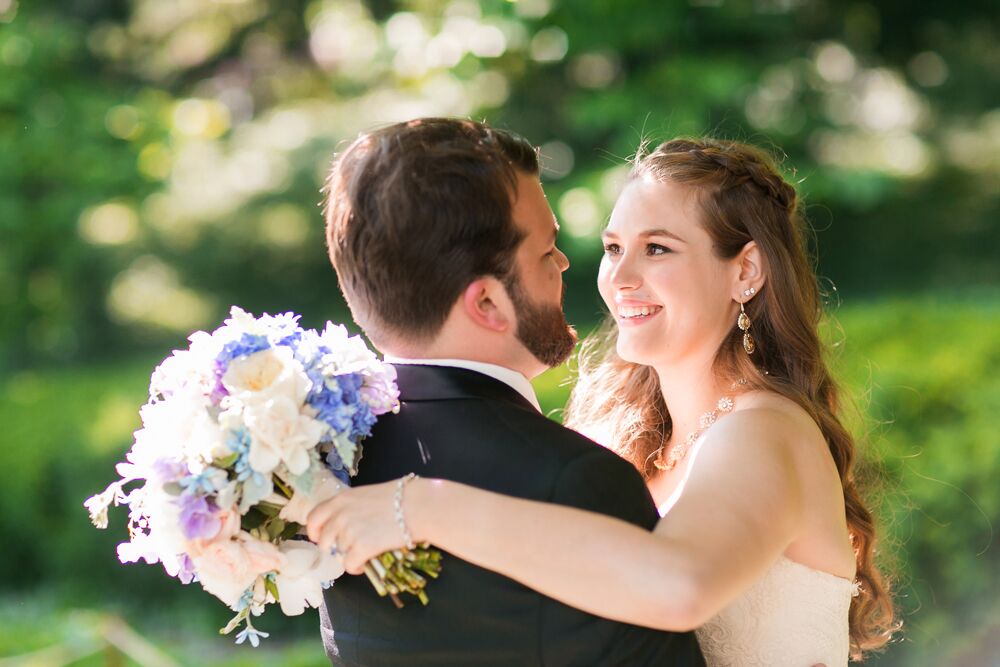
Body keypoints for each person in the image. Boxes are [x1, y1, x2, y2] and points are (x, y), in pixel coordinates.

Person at [308, 137, 899, 666]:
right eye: (614, 248)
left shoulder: (765, 430)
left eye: (658, 249)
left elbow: (681, 584)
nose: (619, 277)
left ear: (745, 270)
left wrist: (423, 506)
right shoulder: (619, 440)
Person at [315, 118, 705, 666]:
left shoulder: (320, 467)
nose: (566, 264)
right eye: (547, 252)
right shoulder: (576, 480)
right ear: (488, 305)